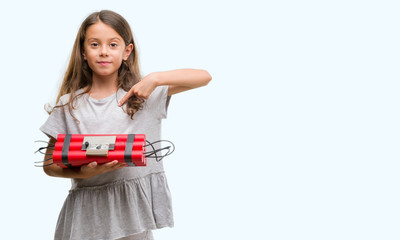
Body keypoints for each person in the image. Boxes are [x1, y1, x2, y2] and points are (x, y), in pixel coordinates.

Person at [40, 10, 211, 240]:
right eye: (94, 44)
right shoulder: (69, 105)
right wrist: (84, 172)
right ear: (83, 51)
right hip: (85, 219)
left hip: (132, 219)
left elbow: (204, 76)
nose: (103, 52)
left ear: (127, 51)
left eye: (112, 44)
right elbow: (49, 165)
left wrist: (155, 78)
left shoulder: (143, 95)